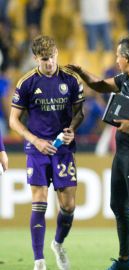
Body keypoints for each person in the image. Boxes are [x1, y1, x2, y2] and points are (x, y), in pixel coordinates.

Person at [67, 36, 129, 270]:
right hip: (122, 152)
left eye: (117, 55)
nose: (116, 59)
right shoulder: (125, 80)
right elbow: (101, 85)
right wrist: (82, 72)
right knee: (117, 205)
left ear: (127, 57)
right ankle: (124, 260)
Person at [9, 35, 85, 270]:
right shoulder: (26, 83)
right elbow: (14, 120)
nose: (49, 63)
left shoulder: (71, 80)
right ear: (35, 59)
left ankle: (58, 244)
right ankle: (39, 261)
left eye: (52, 58)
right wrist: (36, 141)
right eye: (44, 60)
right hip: (37, 149)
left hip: (62, 149)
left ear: (57, 54)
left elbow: (79, 113)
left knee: (69, 206)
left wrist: (71, 129)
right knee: (39, 202)